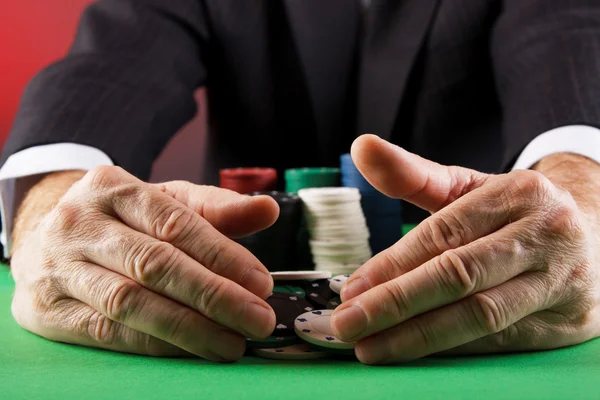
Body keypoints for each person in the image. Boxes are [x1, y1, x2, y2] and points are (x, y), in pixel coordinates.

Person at [1, 0, 600, 365]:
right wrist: (50, 205)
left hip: (491, 294)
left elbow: (572, 47)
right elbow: (105, 69)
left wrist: (585, 207)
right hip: (243, 288)